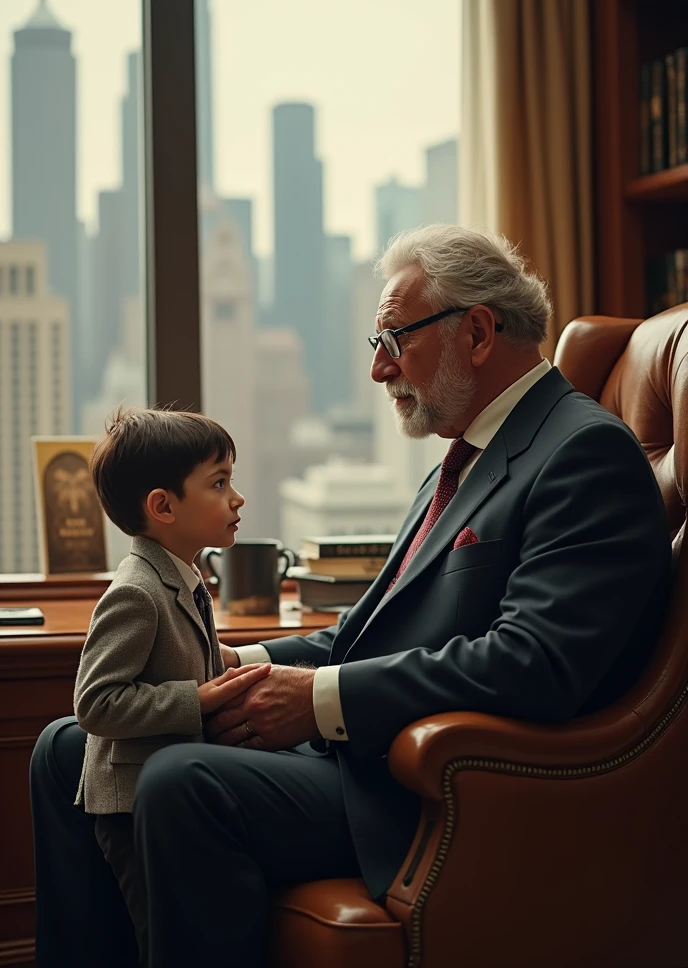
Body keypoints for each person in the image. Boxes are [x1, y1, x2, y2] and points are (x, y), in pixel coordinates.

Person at [31, 225, 672, 968]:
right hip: (363, 752)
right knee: (68, 747)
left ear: (477, 331)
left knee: (181, 779)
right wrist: (232, 662)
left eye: (394, 338)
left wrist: (318, 702)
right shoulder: (455, 467)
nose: (378, 370)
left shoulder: (584, 453)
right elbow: (367, 635)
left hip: (433, 787)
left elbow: (535, 663)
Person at [69, 407, 270, 963]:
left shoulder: (181, 574)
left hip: (164, 795)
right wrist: (198, 699)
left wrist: (225, 661)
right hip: (130, 806)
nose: (238, 498)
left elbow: (178, 653)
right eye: (219, 483)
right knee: (160, 937)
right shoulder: (136, 591)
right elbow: (96, 702)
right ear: (163, 506)